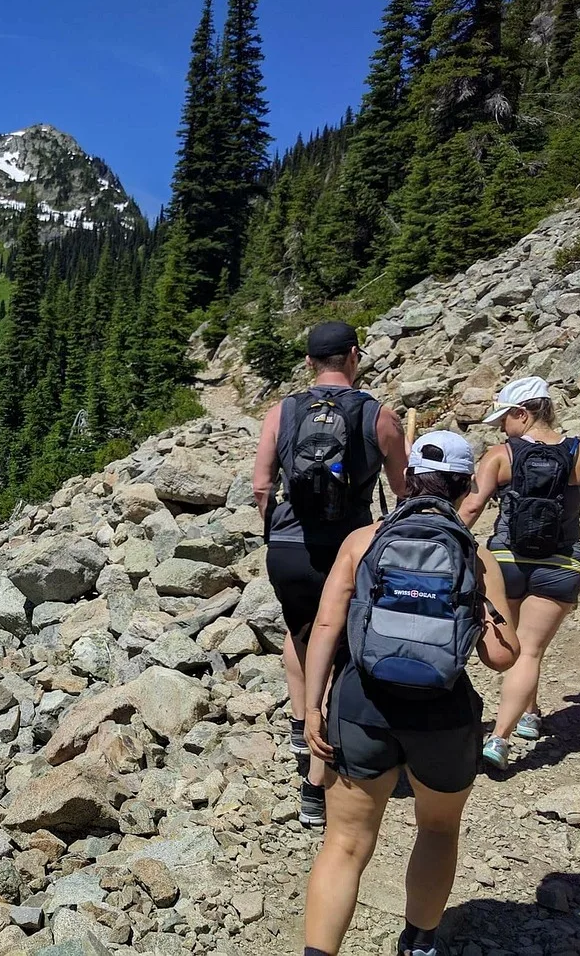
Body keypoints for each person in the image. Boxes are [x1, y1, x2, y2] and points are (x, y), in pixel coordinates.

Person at [302, 432, 520, 956]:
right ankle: (419, 943)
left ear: (405, 480)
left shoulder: (363, 540)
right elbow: (502, 656)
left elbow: (327, 626)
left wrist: (311, 707)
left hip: (361, 705)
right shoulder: (475, 554)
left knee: (345, 842)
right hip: (442, 714)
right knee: (439, 829)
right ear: (466, 486)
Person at [253, 320, 408, 826]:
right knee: (340, 653)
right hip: (348, 549)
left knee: (300, 635)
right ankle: (319, 784)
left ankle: (302, 730)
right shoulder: (378, 415)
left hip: (291, 550)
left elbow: (260, 486)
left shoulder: (284, 411)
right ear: (354, 357)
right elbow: (405, 490)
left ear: (309, 363)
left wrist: (275, 526)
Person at [458, 376, 580, 770]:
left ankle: (506, 728)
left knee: (513, 647)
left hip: (505, 563)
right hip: (561, 564)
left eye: (505, 419)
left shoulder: (501, 455)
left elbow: (471, 509)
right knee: (530, 650)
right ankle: (511, 730)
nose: (502, 427)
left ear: (523, 413)